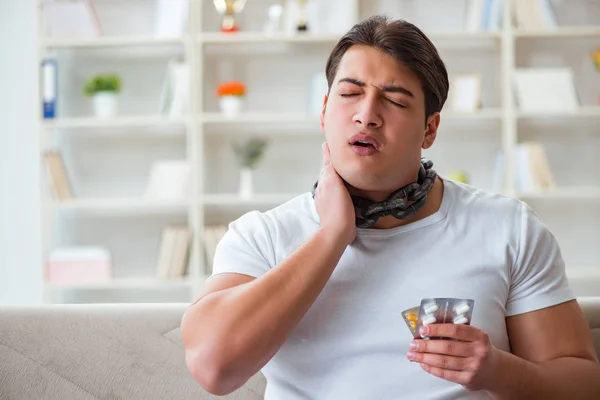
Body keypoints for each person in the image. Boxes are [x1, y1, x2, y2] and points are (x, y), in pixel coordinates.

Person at [181, 15, 600, 399]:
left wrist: (497, 371)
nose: (367, 115)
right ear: (325, 110)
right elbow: (213, 369)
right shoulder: (261, 235)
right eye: (349, 94)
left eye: (395, 101)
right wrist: (331, 237)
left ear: (429, 129)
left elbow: (582, 383)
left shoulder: (509, 227)